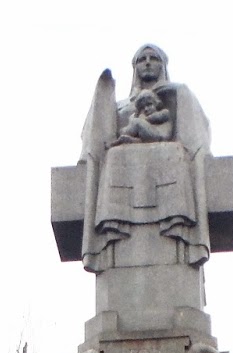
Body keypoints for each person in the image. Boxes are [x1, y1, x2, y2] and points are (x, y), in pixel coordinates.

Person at [79, 44, 212, 273]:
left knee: (173, 152)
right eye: (142, 59)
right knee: (114, 155)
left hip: (169, 158)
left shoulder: (178, 94)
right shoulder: (120, 106)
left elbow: (193, 129)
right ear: (135, 67)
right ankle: (114, 221)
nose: (148, 63)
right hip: (122, 161)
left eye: (154, 58)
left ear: (163, 65)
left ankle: (176, 220)